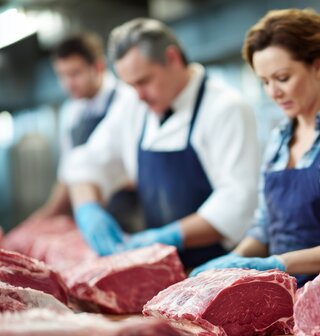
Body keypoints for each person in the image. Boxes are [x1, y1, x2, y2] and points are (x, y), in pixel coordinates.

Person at [191, 9, 320, 287]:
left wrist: (278, 263)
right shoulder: (278, 138)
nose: (273, 92)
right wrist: (230, 263)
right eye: (264, 82)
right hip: (285, 297)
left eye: (282, 78)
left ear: (318, 66)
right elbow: (264, 227)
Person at [62, 18, 259, 268]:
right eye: (131, 85)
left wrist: (169, 236)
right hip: (159, 269)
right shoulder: (133, 107)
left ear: (173, 58)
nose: (139, 95)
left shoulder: (225, 107)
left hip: (219, 270)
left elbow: (238, 201)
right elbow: (86, 162)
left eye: (144, 81)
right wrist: (88, 208)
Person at [29, 33, 130, 222]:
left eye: (75, 74)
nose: (68, 84)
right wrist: (44, 217)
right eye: (62, 76)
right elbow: (68, 172)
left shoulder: (127, 100)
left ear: (98, 67)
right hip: (87, 214)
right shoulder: (72, 112)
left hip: (130, 213)